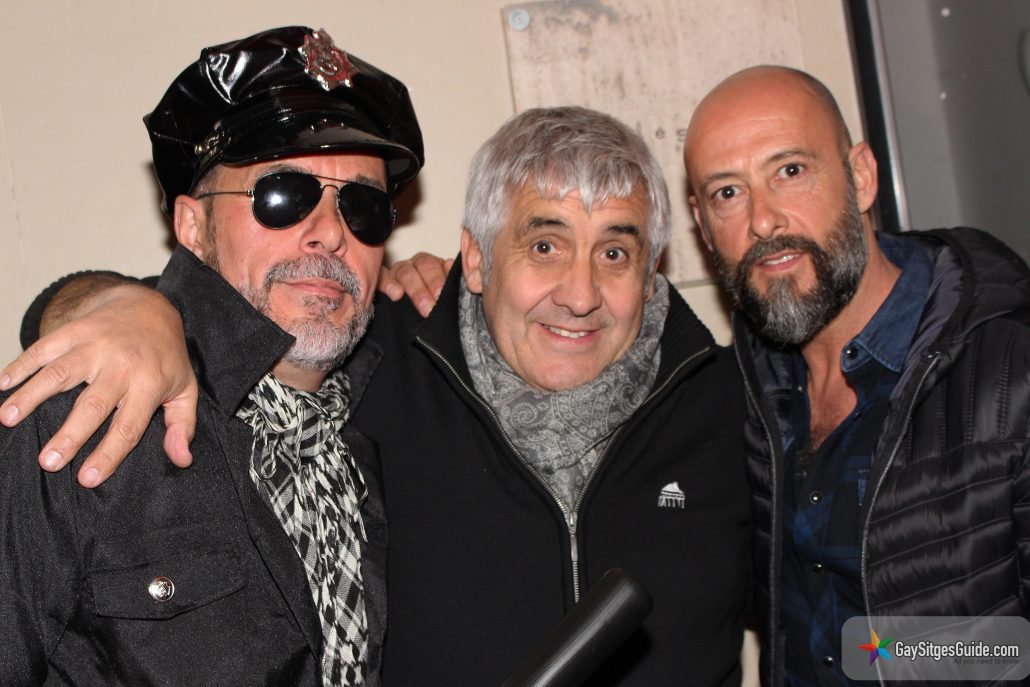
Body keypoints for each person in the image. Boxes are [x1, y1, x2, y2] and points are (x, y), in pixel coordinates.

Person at [2, 107, 751, 684]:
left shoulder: (729, 403)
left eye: (615, 252)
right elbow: (217, 314)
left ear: (652, 272)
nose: (580, 294)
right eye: (545, 245)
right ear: (476, 260)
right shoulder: (389, 360)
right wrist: (126, 306)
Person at [0, 25, 424, 685]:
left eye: (364, 207)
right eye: (284, 194)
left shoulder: (390, 414)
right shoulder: (81, 414)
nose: (330, 233)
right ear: (193, 227)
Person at [683, 66, 1030, 686]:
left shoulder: (1009, 369)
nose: (763, 220)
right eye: (728, 193)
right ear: (703, 225)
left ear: (862, 176)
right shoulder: (744, 388)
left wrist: (882, 654)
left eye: (790, 170)